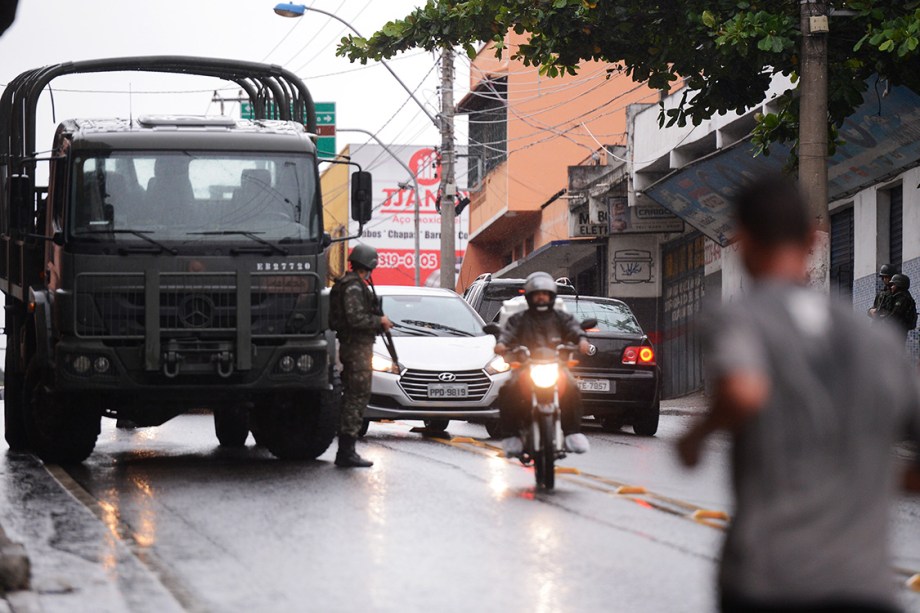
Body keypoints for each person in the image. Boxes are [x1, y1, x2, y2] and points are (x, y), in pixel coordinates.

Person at [676, 173, 920, 613]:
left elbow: (745, 390)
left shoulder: (738, 318)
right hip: (866, 588)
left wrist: (695, 437)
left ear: (742, 240)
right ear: (811, 238)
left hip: (770, 580)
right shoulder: (877, 341)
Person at [494, 271, 591, 457]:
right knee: (508, 389)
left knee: (571, 387)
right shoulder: (519, 318)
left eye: (545, 294)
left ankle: (572, 432)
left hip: (555, 365)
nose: (541, 297)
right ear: (530, 297)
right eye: (537, 294)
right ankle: (511, 435)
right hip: (526, 366)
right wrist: (502, 343)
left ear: (551, 296)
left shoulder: (560, 317)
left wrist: (582, 340)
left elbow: (574, 328)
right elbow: (508, 333)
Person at [329, 244, 393, 468]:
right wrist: (379, 322)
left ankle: (347, 449)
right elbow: (355, 319)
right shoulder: (354, 287)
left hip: (354, 347)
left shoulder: (353, 284)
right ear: (370, 264)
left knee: (354, 396)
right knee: (357, 397)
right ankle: (347, 451)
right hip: (356, 348)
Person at [876, 273, 917, 341]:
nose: (891, 287)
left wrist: (881, 322)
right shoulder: (897, 297)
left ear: (899, 285)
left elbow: (894, 315)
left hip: (898, 331)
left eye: (893, 285)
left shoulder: (903, 298)